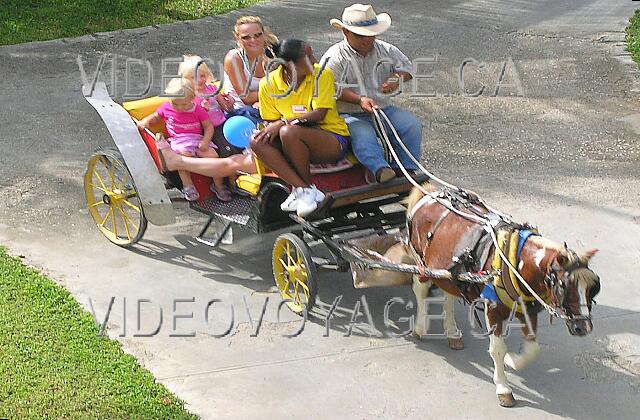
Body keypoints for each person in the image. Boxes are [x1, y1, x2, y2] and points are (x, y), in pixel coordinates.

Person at [320, 3, 423, 183]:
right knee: (363, 133)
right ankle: (380, 169)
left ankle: (405, 169)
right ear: (346, 33)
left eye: (370, 35)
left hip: (381, 108)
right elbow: (329, 88)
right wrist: (359, 100)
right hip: (345, 113)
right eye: (360, 36)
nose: (367, 40)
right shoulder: (334, 57)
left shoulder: (386, 49)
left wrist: (395, 79)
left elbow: (406, 68)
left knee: (410, 125)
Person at [250, 39, 350, 217]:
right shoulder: (268, 84)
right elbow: (270, 121)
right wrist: (272, 128)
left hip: (331, 139)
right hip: (290, 140)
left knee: (288, 131)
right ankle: (305, 190)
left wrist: (284, 122)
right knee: (256, 141)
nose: (315, 61)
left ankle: (303, 191)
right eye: (309, 57)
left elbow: (319, 114)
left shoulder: (322, 74)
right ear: (290, 65)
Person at [137, 78, 225, 202]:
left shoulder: (198, 109)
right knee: (184, 157)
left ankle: (218, 185)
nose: (179, 108)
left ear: (192, 99)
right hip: (178, 141)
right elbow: (156, 117)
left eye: (184, 104)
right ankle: (188, 185)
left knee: (213, 156)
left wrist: (205, 141)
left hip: (196, 139)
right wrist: (145, 122)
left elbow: (208, 126)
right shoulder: (167, 107)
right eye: (175, 104)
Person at [179, 55, 239, 199]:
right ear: (185, 79)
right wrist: (201, 110)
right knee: (225, 151)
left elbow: (225, 107)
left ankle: (236, 180)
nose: (199, 80)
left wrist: (229, 104)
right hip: (205, 131)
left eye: (203, 76)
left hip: (223, 124)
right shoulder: (189, 96)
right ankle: (226, 184)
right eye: (193, 77)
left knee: (237, 148)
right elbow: (187, 119)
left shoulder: (212, 89)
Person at [223, 16, 278, 123]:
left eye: (258, 35)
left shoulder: (273, 54)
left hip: (269, 107)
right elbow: (246, 97)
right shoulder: (234, 58)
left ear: (264, 34)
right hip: (242, 112)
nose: (253, 40)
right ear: (237, 38)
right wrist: (273, 92)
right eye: (246, 37)